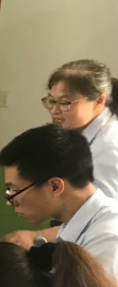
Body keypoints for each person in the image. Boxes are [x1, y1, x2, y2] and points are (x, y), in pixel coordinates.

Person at [0, 124, 118, 280]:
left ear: (54, 186)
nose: (10, 202)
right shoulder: (74, 224)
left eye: (15, 190)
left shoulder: (106, 238)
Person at [44, 59, 118, 198]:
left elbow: (110, 209)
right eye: (51, 101)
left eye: (64, 102)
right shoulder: (80, 133)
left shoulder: (108, 148)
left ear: (98, 101)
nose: (54, 111)